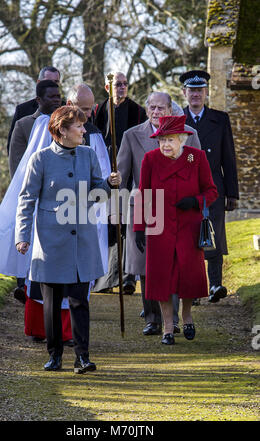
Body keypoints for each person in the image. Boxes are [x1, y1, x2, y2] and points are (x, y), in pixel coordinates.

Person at [15, 106, 121, 372]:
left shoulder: (88, 155)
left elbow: (97, 193)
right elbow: (26, 199)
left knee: (79, 301)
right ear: (62, 129)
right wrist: (22, 236)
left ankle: (82, 357)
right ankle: (55, 355)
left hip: (82, 241)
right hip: (51, 243)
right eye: (79, 126)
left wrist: (109, 184)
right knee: (51, 304)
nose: (84, 130)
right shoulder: (40, 159)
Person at [117, 91, 201, 336]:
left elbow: (197, 169)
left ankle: (173, 319)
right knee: (146, 266)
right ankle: (152, 318)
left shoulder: (189, 135)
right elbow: (122, 175)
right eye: (151, 107)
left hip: (178, 210)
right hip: (143, 207)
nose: (156, 112)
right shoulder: (131, 136)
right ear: (146, 110)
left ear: (171, 110)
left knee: (174, 262)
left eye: (160, 108)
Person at [134, 115, 218, 345]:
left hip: (188, 227)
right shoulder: (150, 159)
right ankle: (168, 328)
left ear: (182, 139)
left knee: (188, 276)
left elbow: (211, 191)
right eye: (162, 140)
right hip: (159, 226)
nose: (166, 145)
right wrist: (139, 227)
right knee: (162, 278)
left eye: (170, 140)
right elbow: (143, 194)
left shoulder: (196, 157)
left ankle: (187, 315)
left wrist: (195, 201)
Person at [180, 70, 239, 303]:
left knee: (213, 233)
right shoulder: (176, 119)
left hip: (214, 185)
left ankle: (215, 284)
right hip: (186, 187)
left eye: (199, 90)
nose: (195, 94)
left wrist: (232, 193)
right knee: (188, 237)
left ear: (206, 92)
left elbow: (229, 158)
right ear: (184, 92)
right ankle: (191, 289)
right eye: (191, 90)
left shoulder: (220, 119)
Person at [8, 79, 62, 301]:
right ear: (39, 100)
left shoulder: (66, 122)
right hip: (34, 195)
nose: (57, 100)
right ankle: (25, 284)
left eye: (58, 96)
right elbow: (17, 166)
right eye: (52, 97)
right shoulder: (23, 125)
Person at [93, 72, 147, 295]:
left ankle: (127, 277)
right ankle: (106, 278)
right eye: (118, 84)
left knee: (126, 225)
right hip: (105, 173)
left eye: (125, 84)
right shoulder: (98, 111)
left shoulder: (138, 112)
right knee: (109, 225)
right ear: (108, 87)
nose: (122, 87)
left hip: (130, 175)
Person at [6, 66, 61, 154]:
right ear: (38, 82)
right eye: (48, 81)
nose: (52, 84)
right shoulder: (23, 110)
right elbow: (14, 148)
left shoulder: (66, 110)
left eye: (56, 81)